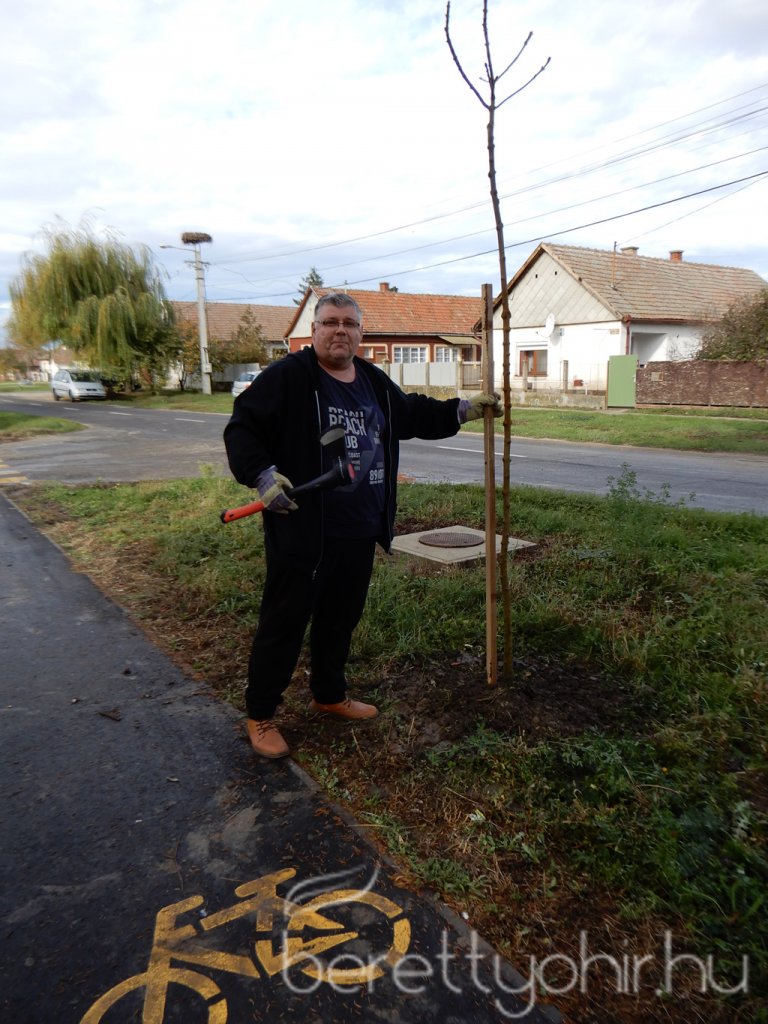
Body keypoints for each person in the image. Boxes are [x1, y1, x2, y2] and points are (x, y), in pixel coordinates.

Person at [223, 292, 501, 758]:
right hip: (304, 530)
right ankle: (262, 713)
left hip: (359, 528)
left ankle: (328, 695)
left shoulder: (371, 379)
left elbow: (409, 412)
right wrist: (262, 474)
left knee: (339, 619)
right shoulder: (289, 378)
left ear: (360, 334)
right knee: (285, 621)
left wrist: (463, 410)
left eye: (349, 324)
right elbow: (242, 427)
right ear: (313, 331)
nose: (339, 331)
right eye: (330, 322)